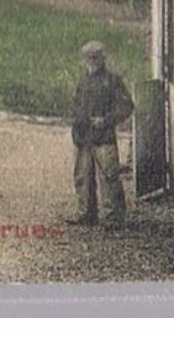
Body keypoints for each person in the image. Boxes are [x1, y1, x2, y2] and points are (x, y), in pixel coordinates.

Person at [69, 40, 135, 228]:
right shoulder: (83, 80)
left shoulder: (112, 80)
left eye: (96, 57)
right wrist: (77, 122)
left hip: (103, 137)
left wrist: (106, 120)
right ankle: (86, 214)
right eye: (89, 58)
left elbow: (127, 106)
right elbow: (75, 104)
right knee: (82, 176)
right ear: (84, 60)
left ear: (102, 59)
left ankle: (114, 216)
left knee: (109, 176)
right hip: (83, 137)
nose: (92, 61)